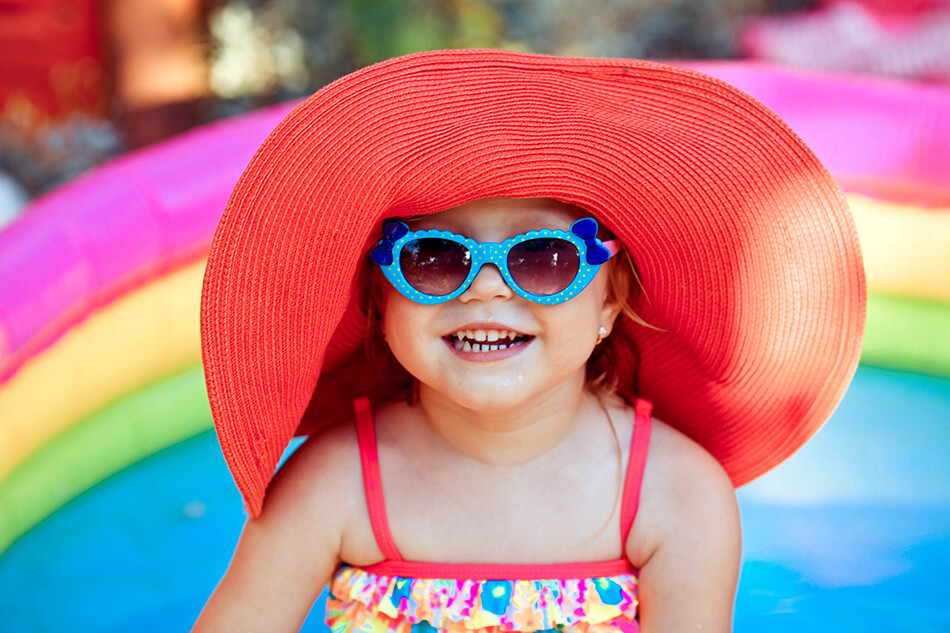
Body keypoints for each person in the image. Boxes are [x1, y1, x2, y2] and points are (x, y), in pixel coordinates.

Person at [192, 49, 865, 633]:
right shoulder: (335, 483)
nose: (485, 288)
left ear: (611, 303)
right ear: (380, 301)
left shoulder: (674, 492)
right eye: (435, 258)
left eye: (544, 257)